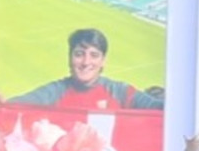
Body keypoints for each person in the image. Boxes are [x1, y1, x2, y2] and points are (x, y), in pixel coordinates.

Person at [11, 28, 154, 115]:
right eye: (79, 54)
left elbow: (159, 108)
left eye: (94, 55)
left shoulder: (120, 92)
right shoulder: (55, 92)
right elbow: (12, 106)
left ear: (103, 61)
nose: (86, 62)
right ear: (69, 58)